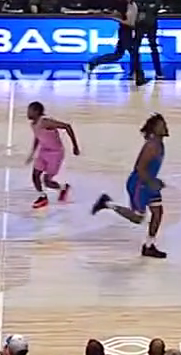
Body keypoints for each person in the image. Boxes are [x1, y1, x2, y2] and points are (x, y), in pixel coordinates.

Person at [91, 113, 169, 259]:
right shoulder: (152, 146)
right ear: (154, 129)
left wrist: (153, 181)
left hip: (148, 182)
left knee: (158, 213)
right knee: (138, 218)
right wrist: (152, 182)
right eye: (161, 125)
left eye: (164, 124)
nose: (165, 127)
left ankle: (149, 246)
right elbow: (139, 168)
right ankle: (107, 203)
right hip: (140, 184)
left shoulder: (159, 144)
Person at [25, 101, 80, 209]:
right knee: (35, 175)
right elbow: (38, 136)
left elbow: (67, 126)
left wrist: (75, 146)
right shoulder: (33, 124)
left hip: (55, 153)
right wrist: (33, 152)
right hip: (43, 151)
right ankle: (42, 197)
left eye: (29, 110)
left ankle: (63, 188)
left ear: (36, 111)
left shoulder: (45, 122)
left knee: (47, 181)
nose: (27, 113)